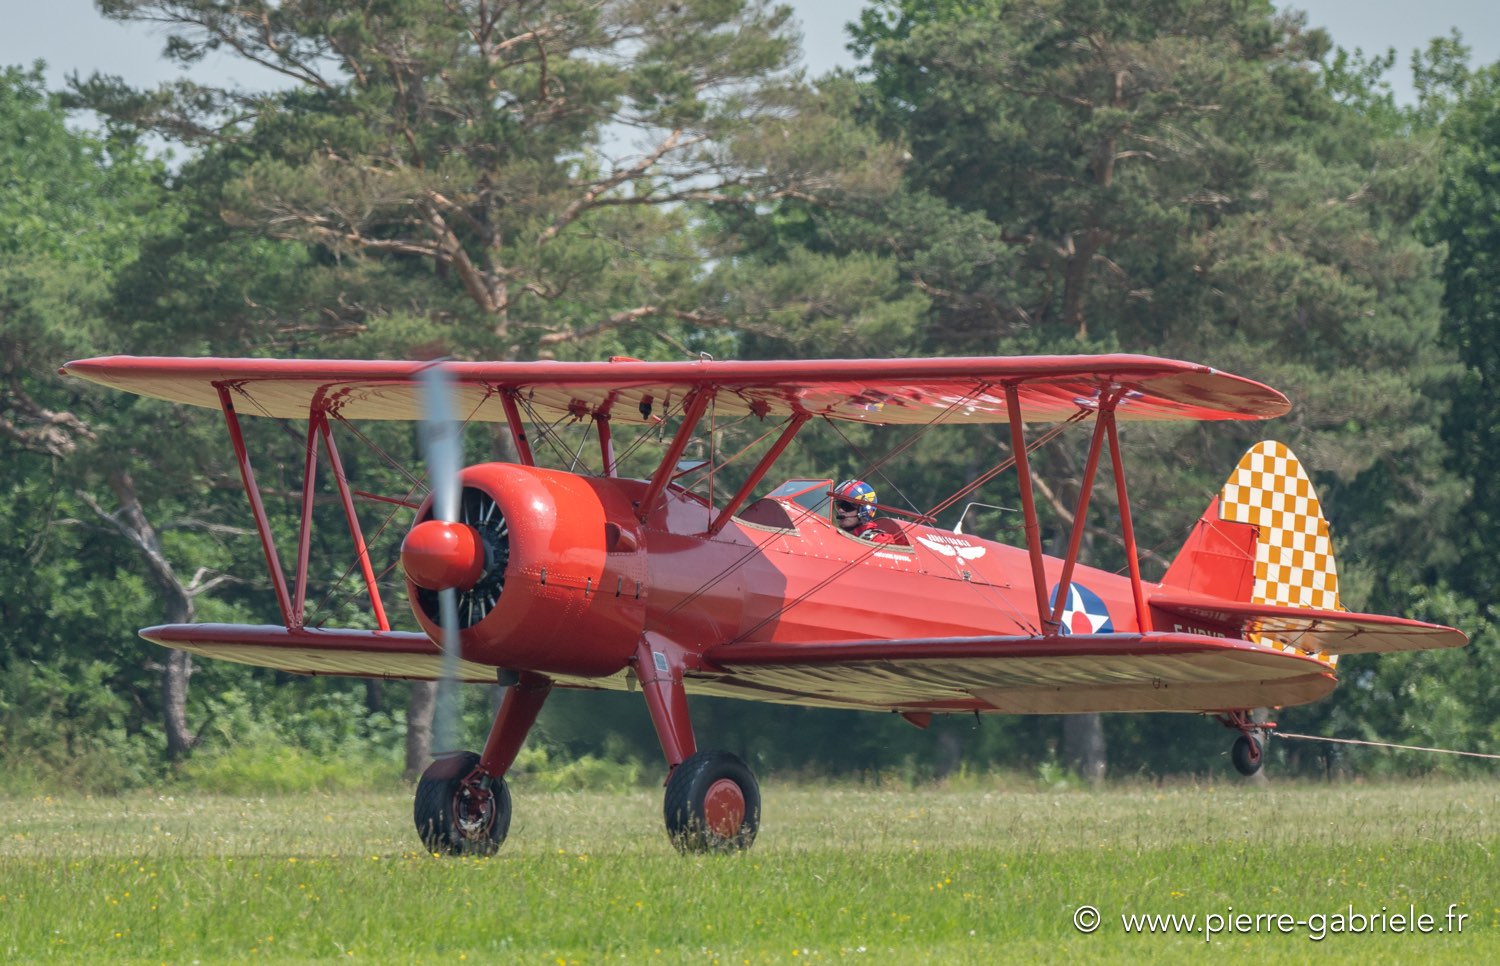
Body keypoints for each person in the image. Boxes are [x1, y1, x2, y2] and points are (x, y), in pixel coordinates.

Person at [833, 479, 898, 544]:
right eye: (838, 505)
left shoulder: (879, 540)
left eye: (847, 506)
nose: (840, 510)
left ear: (864, 510)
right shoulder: (836, 538)